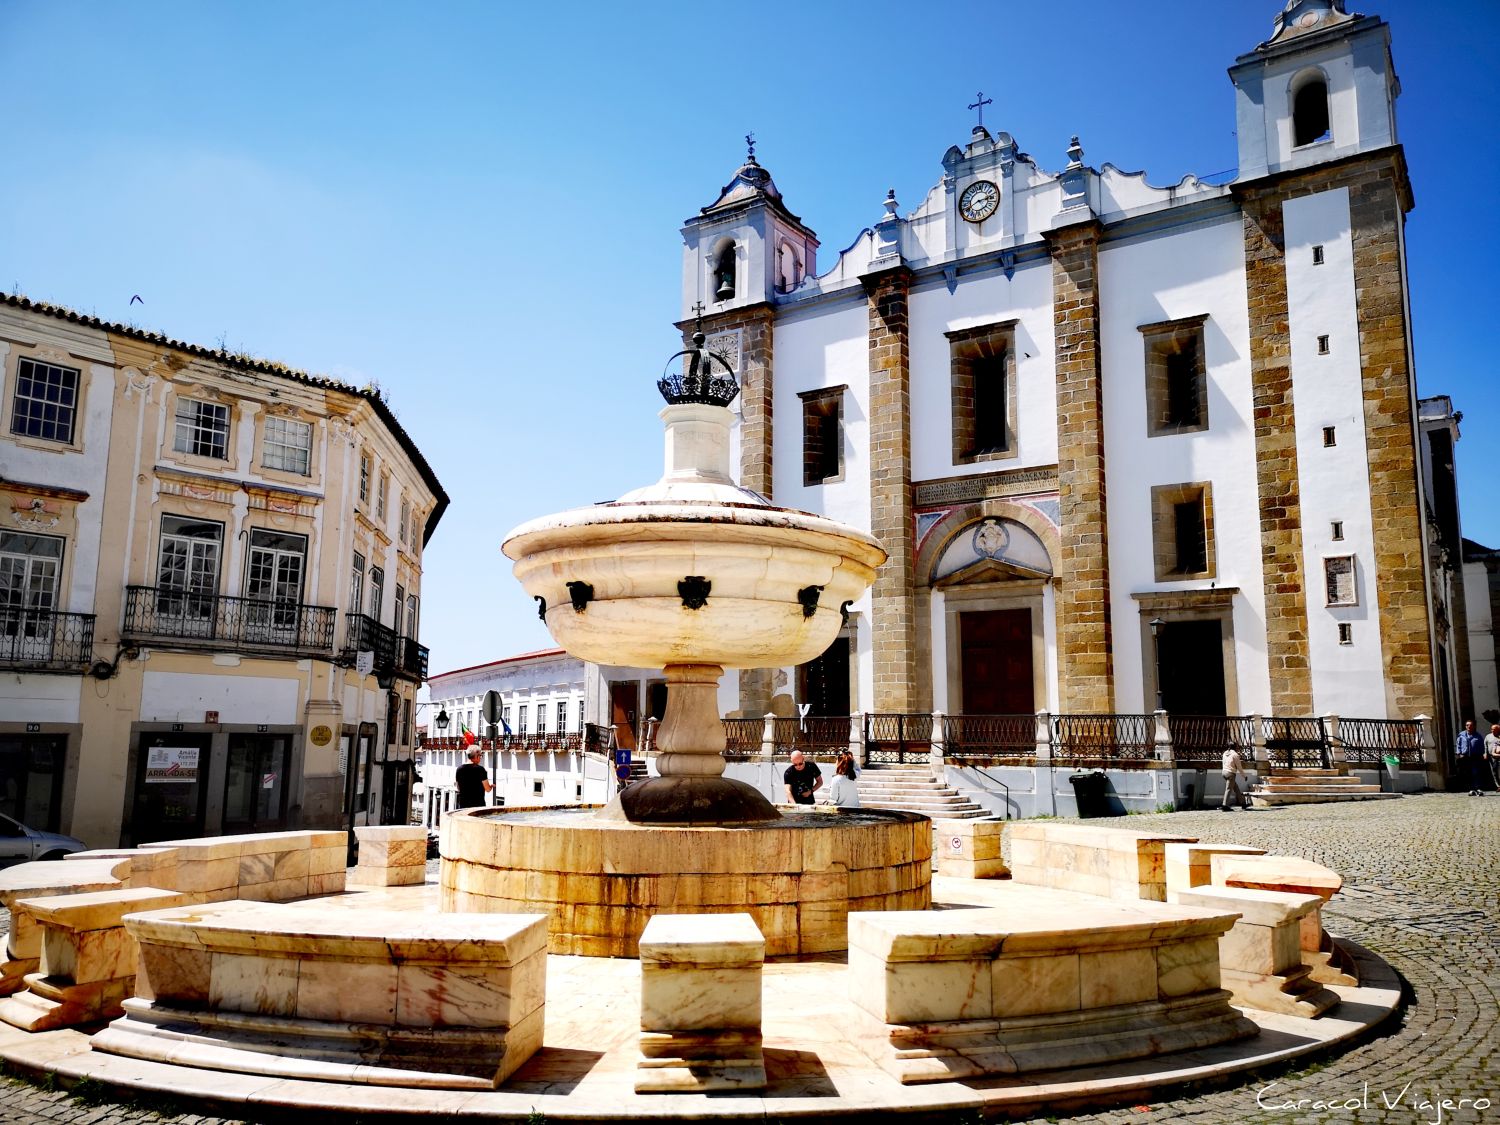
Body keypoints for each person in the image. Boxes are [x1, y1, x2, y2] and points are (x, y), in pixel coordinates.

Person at [1456, 720, 1486, 796]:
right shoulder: (1461, 735)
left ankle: (1478, 788)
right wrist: (1459, 753)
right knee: (1467, 773)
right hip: (1465, 756)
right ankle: (1471, 789)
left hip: (1476, 756)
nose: (1469, 727)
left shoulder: (1478, 736)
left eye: (1471, 725)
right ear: (1465, 726)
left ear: (1474, 726)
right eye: (1467, 725)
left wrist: (1483, 754)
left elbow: (1482, 746)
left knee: (1476, 773)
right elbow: (1458, 745)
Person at [1220, 746, 1244, 811]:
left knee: (1235, 787)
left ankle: (1242, 803)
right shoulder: (1235, 755)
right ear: (1236, 747)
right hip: (1231, 773)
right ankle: (1225, 805)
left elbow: (1223, 763)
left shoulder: (1225, 753)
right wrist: (1244, 775)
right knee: (1228, 789)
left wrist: (1224, 770)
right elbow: (1239, 767)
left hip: (1224, 772)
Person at [1487, 724, 1500, 792]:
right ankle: (1498, 786)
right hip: (1494, 759)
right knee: (1495, 772)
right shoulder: (1496, 742)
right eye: (1492, 729)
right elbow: (1493, 752)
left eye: (1494, 729)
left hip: (1497, 758)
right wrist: (1485, 754)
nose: (1492, 731)